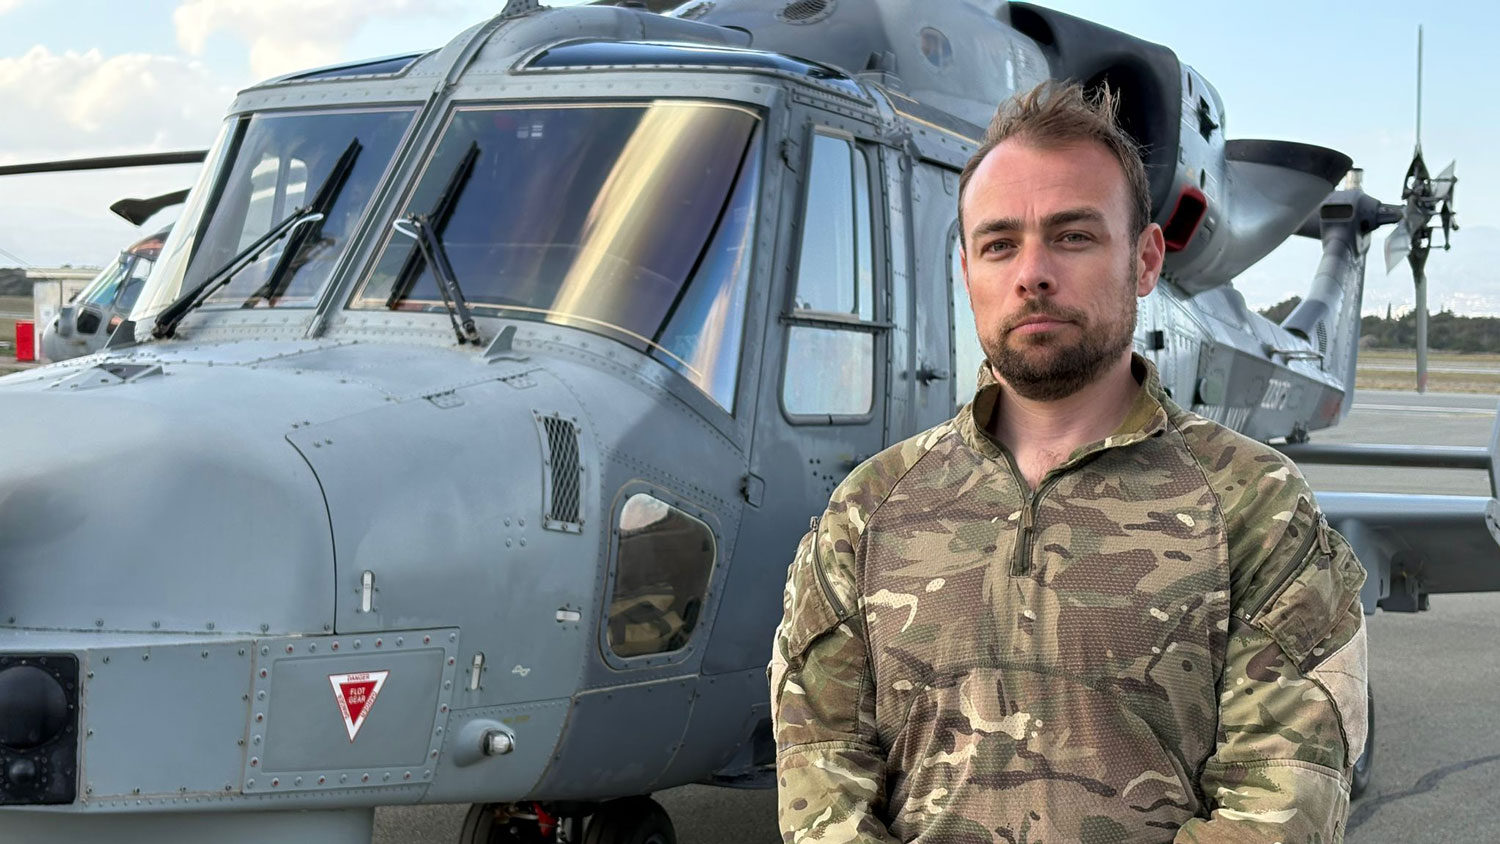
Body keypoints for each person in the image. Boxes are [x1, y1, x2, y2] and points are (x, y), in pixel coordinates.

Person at [769, 81, 1368, 843]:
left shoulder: (1255, 507)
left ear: (1146, 260)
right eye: (999, 244)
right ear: (966, 273)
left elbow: (1282, 804)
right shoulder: (870, 510)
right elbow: (822, 771)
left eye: (1074, 236)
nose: (1032, 274)